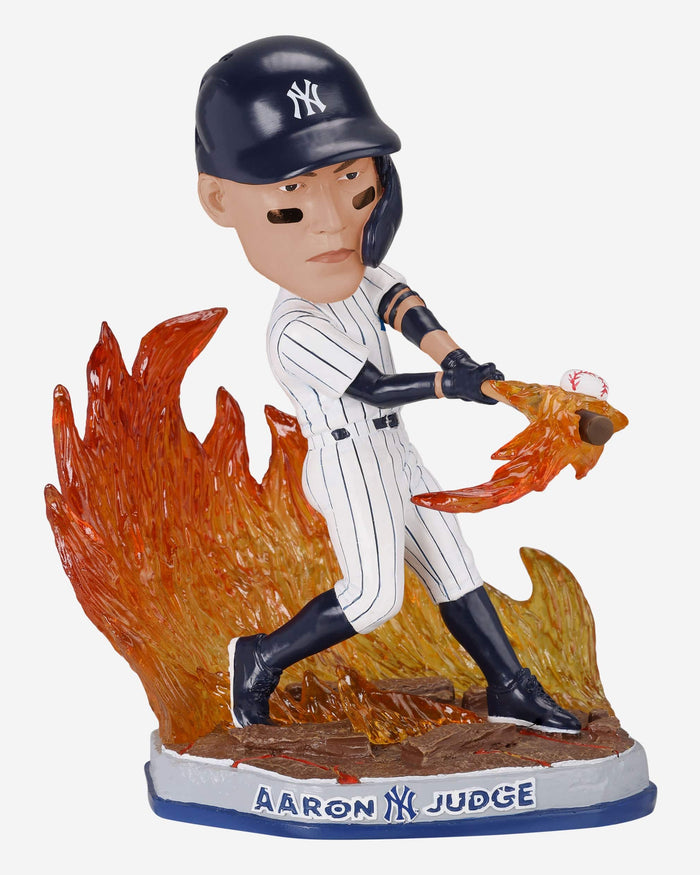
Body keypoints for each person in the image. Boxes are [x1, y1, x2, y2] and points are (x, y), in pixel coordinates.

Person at [196, 36, 581, 735]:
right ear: (222, 199)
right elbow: (372, 387)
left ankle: (510, 686)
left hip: (395, 450)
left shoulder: (362, 273)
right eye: (292, 194)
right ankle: (259, 657)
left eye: (352, 181)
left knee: (454, 565)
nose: (332, 218)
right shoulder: (291, 327)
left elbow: (406, 308)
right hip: (347, 460)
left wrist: (463, 361)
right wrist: (449, 386)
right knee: (373, 598)